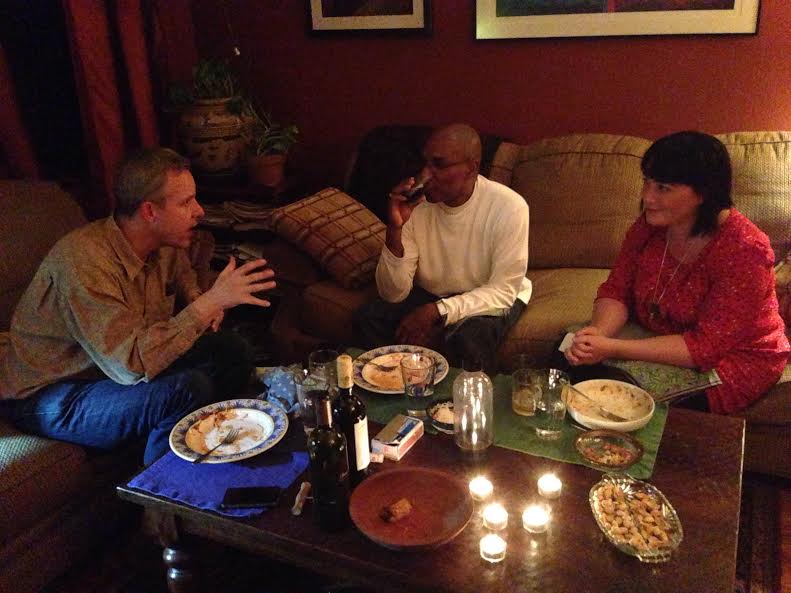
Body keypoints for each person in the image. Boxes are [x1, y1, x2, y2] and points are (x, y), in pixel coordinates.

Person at [0, 148, 276, 464]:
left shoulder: (162, 244)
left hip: (107, 370)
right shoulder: (83, 263)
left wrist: (198, 298)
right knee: (187, 388)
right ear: (149, 212)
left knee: (232, 350)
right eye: (186, 203)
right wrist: (211, 303)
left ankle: (221, 451)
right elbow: (130, 365)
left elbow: (181, 275)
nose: (199, 211)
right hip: (51, 392)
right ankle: (161, 497)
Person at [564, 131, 789, 414]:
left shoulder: (745, 249)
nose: (647, 198)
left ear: (703, 192)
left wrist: (611, 347)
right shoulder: (649, 226)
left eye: (663, 188)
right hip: (657, 332)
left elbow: (705, 347)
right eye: (647, 182)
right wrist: (595, 337)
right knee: (568, 360)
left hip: (733, 357)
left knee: (656, 410)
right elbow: (616, 290)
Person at [354, 123, 531, 373]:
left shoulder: (509, 207)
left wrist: (438, 312)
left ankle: (465, 409)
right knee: (369, 318)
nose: (426, 175)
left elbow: (502, 292)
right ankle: (399, 397)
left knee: (468, 339)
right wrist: (394, 231)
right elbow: (393, 294)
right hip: (434, 293)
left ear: (472, 167)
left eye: (439, 165)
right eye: (425, 163)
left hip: (489, 295)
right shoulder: (417, 207)